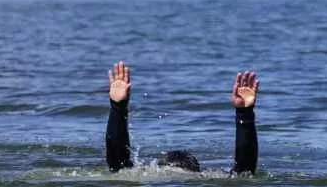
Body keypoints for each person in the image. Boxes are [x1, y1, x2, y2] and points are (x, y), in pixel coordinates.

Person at [105, 61, 259, 175]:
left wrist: (118, 107)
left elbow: (118, 165)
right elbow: (244, 171)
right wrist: (244, 114)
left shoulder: (148, 179)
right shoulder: (206, 181)